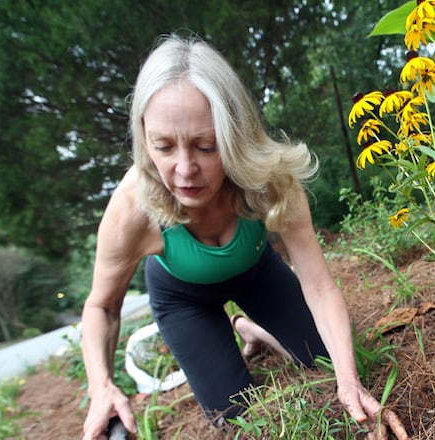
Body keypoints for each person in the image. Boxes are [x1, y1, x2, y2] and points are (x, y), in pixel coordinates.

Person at [80, 34, 409, 440]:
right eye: (163, 147)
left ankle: (255, 330)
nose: (184, 170)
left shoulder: (270, 181)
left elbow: (319, 285)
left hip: (255, 270)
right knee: (236, 417)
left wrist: (349, 383)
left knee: (330, 359)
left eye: (206, 146)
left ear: (236, 135)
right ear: (144, 141)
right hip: (183, 296)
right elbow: (102, 307)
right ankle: (242, 331)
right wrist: (102, 386)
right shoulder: (133, 207)